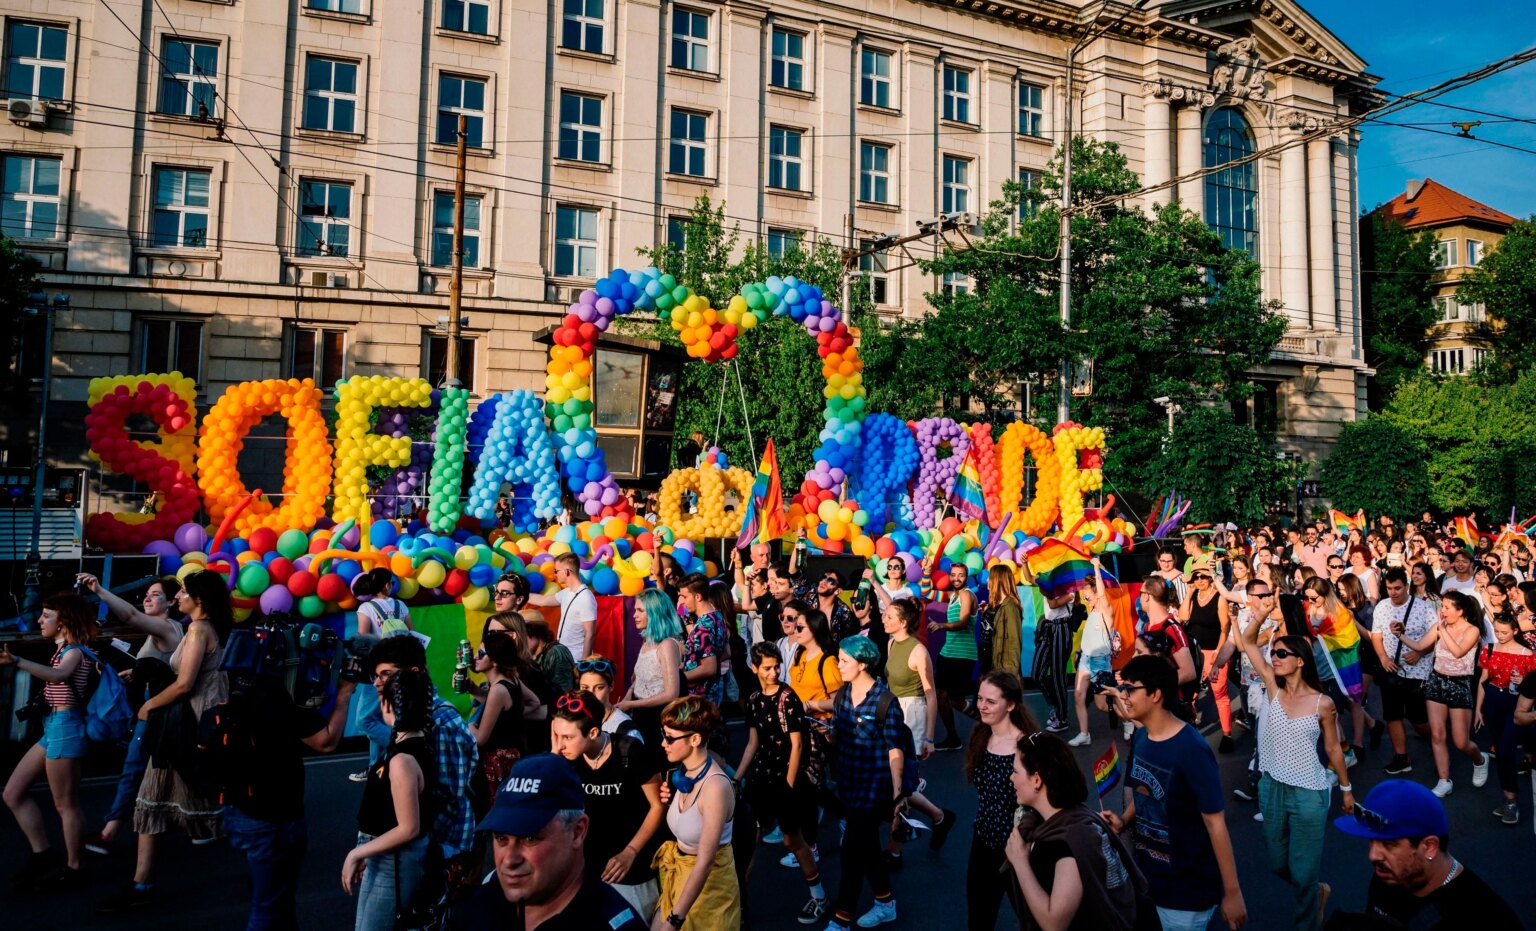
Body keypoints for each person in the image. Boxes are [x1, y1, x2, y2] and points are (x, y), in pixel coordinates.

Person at [100, 570, 230, 911]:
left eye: (184, 592)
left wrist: (148, 705)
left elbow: (185, 683)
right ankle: (142, 882)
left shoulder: (200, 629)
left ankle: (143, 883)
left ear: (198, 600)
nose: (179, 597)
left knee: (188, 796)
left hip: (190, 724)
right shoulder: (195, 629)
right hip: (184, 723)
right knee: (155, 794)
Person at [1103, 655, 1247, 931]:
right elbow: (1146, 793)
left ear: (1156, 694)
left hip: (1186, 893)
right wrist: (1124, 821)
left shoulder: (1191, 749)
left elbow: (1215, 824)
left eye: (1130, 689)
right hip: (1148, 879)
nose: (1124, 696)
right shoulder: (1143, 737)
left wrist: (1232, 892)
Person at [1231, 612, 1353, 931]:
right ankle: (1315, 892)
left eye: (1282, 653)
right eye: (1274, 653)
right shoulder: (1273, 687)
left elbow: (1332, 749)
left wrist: (1346, 788)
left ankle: (1308, 922)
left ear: (1300, 661)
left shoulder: (1322, 703)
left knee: (1302, 873)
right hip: (1271, 788)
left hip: (1309, 794)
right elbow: (1246, 641)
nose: (1275, 657)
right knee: (1278, 864)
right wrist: (1260, 615)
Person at [219, 653, 358, 929]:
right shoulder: (283, 699)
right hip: (274, 816)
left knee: (275, 900)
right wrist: (344, 692)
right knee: (269, 907)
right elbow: (326, 742)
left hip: (239, 810)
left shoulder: (239, 687)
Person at [446, 753, 647, 930]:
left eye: (530, 838)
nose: (509, 860)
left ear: (577, 832)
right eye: (501, 838)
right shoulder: (480, 905)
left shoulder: (611, 923)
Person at [74, 573, 184, 856]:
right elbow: (165, 667)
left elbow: (131, 616)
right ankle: (187, 819)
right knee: (163, 769)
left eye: (156, 594)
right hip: (160, 706)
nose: (148, 597)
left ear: (172, 601)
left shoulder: (166, 627)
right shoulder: (164, 629)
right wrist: (136, 673)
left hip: (158, 710)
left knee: (133, 768)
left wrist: (99, 590)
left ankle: (109, 831)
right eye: (147, 593)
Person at [1, 593, 100, 888]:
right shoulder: (62, 649)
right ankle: (43, 854)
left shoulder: (74, 652)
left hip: (66, 728)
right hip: (53, 727)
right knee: (12, 793)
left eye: (47, 616)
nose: (40, 620)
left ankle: (75, 868)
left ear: (63, 622)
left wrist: (17, 661)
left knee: (65, 805)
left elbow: (59, 677)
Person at [1330, 779, 1523, 930]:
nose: (1373, 855)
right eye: (1371, 841)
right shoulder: (1388, 876)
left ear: (1429, 846)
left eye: (1389, 844)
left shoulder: (1487, 918)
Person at [366, 636, 479, 890]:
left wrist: (421, 847)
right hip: (421, 845)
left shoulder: (440, 721)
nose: (377, 683)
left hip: (442, 848)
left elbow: (450, 793)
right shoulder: (409, 719)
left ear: (413, 674)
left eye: (386, 674)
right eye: (376, 675)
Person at [1005, 732, 1144, 931]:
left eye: (1015, 771)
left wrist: (1020, 862)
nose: (1011, 778)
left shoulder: (1068, 842)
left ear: (1037, 780)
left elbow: (1054, 924)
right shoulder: (1067, 820)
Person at [549, 690, 664, 916]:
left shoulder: (630, 752)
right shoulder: (565, 760)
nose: (561, 745)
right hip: (587, 870)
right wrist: (553, 761)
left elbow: (658, 805)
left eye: (568, 737)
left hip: (631, 871)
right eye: (556, 735)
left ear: (592, 732)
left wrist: (630, 852)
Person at [736, 642, 825, 924]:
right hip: (761, 775)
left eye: (776, 666)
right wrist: (737, 777)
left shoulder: (788, 698)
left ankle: (818, 896)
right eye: (767, 668)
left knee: (792, 841)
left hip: (786, 776)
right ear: (755, 669)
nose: (774, 672)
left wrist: (788, 786)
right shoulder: (752, 700)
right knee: (749, 839)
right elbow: (753, 742)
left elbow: (797, 746)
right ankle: (738, 903)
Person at [826, 636, 908, 931]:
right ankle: (886, 903)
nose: (839, 665)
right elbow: (838, 735)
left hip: (874, 789)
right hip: (848, 784)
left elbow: (895, 749)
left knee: (852, 852)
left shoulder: (885, 702)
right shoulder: (842, 695)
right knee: (869, 848)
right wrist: (829, 736)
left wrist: (898, 798)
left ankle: (841, 918)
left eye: (844, 661)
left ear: (862, 664)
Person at [344, 668, 436, 931]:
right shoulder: (408, 744)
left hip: (391, 861)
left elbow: (409, 828)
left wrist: (356, 853)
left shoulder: (402, 760)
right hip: (384, 856)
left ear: (391, 707)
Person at [655, 696, 740, 931]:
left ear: (695, 739)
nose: (663, 743)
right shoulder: (681, 774)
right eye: (663, 735)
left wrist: (674, 921)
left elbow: (705, 862)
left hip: (709, 892)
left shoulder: (715, 787)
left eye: (670, 738)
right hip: (680, 879)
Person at [964, 671, 1037, 931]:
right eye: (979, 698)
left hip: (1021, 846)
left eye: (990, 701)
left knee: (1032, 919)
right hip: (983, 840)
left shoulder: (1028, 745)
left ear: (1011, 704)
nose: (981, 706)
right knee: (979, 916)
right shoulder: (980, 736)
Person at [1398, 590, 1488, 797]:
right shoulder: (1441, 626)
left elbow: (1458, 651)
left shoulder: (1472, 630)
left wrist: (1442, 629)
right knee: (1437, 734)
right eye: (1442, 606)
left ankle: (1480, 759)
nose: (1442, 611)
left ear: (1460, 611)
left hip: (1459, 684)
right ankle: (1444, 780)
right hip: (1437, 681)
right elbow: (1420, 645)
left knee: (1461, 742)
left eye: (1447, 607)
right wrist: (1400, 635)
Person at [349, 567, 415, 781]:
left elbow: (362, 639)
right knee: (386, 717)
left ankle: (401, 747)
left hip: (376, 672)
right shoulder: (401, 605)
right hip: (400, 670)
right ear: (387, 585)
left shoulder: (366, 608)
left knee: (366, 720)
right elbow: (412, 635)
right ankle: (377, 767)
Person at [1371, 568, 1434, 776]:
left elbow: (1437, 635)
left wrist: (1420, 652)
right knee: (1392, 715)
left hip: (1417, 673)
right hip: (1391, 670)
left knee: (1418, 719)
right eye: (1389, 588)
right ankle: (1401, 757)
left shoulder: (1423, 608)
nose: (1393, 592)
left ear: (1406, 586)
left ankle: (1435, 739)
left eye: (1397, 588)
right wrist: (1383, 658)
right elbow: (1376, 636)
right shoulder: (1381, 607)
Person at [1473, 614, 1536, 823]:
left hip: (1516, 703)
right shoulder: (1489, 649)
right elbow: (1483, 680)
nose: (1499, 636)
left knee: (1506, 749)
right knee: (1500, 750)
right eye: (1497, 631)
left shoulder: (1528, 654)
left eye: (1505, 632)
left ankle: (1511, 803)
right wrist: (1478, 709)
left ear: (1515, 631)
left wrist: (1524, 680)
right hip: (1492, 700)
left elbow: (1532, 686)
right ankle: (1507, 796)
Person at [469, 633, 538, 808]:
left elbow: (480, 739)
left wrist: (469, 726)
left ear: (495, 661)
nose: (476, 658)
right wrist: (474, 689)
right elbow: (534, 702)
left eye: (481, 654)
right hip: (516, 755)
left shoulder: (497, 691)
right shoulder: (512, 679)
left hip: (499, 762)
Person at [1181, 562, 1235, 752]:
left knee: (1219, 693)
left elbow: (1225, 628)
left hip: (1214, 651)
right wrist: (1189, 593)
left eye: (1203, 577)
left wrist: (1219, 654)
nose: (1200, 580)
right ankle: (1191, 732)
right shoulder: (1194, 595)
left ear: (1211, 578)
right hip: (1194, 653)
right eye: (1196, 577)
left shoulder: (1220, 598)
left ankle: (1227, 735)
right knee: (1190, 695)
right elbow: (1182, 616)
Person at [618, 590, 684, 743]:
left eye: (640, 610)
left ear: (656, 613)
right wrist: (629, 692)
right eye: (635, 610)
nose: (635, 615)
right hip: (642, 714)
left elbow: (671, 693)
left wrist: (631, 704)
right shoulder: (647, 641)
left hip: (659, 718)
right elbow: (641, 676)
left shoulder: (667, 645)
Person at [930, 562, 979, 748]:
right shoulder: (952, 596)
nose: (956, 578)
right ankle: (952, 738)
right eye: (953, 575)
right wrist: (927, 571)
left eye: (960, 575)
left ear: (966, 577)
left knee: (955, 700)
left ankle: (986, 721)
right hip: (947, 653)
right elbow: (927, 592)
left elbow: (964, 622)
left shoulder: (966, 595)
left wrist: (941, 625)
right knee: (942, 696)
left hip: (963, 655)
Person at [1069, 558, 1116, 748]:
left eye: (1088, 593)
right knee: (1078, 695)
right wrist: (1080, 651)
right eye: (1084, 593)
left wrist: (1096, 568)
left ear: (1097, 592)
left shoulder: (1106, 609)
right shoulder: (1091, 612)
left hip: (1100, 662)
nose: (1085, 597)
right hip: (1085, 660)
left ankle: (1130, 720)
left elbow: (1103, 595)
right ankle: (1084, 734)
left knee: (1102, 705)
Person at [677, 577, 727, 705]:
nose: (682, 602)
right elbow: (726, 653)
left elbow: (709, 668)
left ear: (698, 597)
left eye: (684, 597)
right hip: (713, 692)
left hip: (700, 698)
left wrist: (678, 678)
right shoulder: (717, 616)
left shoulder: (703, 627)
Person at [577, 655, 642, 741]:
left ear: (611, 686)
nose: (591, 694)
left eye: (599, 687)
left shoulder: (626, 729)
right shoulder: (575, 719)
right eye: (585, 688)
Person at [523, 611, 576, 700]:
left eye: (521, 635)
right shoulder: (528, 655)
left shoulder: (556, 652)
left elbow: (563, 694)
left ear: (535, 632)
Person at [986, 564, 1023, 677]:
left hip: (1004, 668)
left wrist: (1012, 673)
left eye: (990, 576)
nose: (987, 579)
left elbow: (1014, 641)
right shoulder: (996, 605)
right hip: (992, 664)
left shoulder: (1010, 606)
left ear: (998, 580)